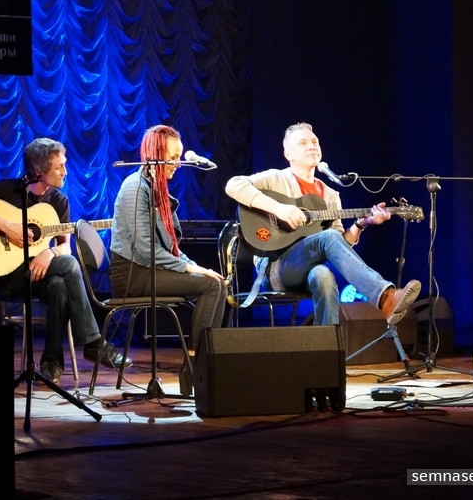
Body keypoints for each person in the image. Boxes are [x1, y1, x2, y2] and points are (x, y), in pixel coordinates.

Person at [0, 137, 131, 384]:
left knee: (59, 284)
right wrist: (7, 227)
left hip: (41, 276)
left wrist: (49, 253)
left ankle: (51, 365)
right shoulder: (9, 190)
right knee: (69, 266)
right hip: (11, 278)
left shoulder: (59, 202)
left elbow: (65, 247)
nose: (65, 172)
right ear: (39, 171)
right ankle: (93, 343)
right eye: (59, 167)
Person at [225, 122, 421, 326]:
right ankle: (385, 297)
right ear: (288, 154)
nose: (311, 146)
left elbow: (338, 243)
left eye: (315, 142)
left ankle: (326, 343)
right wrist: (279, 209)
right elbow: (233, 185)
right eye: (303, 143)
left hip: (308, 270)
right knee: (328, 239)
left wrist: (361, 224)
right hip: (275, 268)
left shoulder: (330, 195)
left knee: (323, 275)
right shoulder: (276, 178)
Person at [109, 125, 226, 396]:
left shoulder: (158, 190)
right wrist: (190, 268)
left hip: (148, 268)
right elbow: (144, 249)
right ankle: (195, 369)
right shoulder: (135, 188)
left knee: (218, 283)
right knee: (211, 286)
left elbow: (170, 249)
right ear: (156, 155)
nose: (178, 164)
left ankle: (203, 366)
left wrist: (198, 267)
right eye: (173, 157)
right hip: (132, 273)